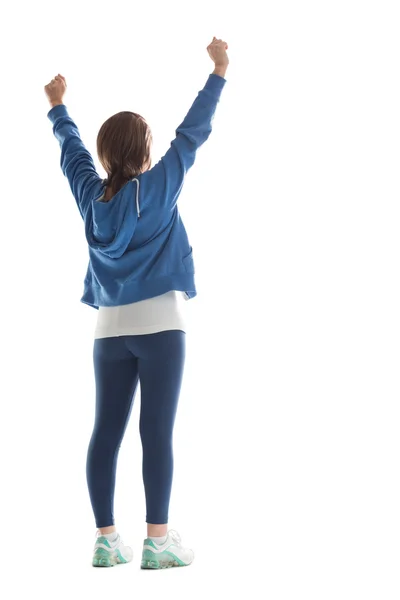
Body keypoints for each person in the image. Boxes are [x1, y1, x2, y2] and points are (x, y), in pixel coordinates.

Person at [44, 37, 229, 570]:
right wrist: (218, 72)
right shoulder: (159, 187)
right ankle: (157, 540)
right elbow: (192, 134)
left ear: (106, 155)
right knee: (156, 433)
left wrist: (58, 107)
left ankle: (106, 539)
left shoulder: (90, 195)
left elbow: (72, 154)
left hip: (108, 330)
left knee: (105, 430)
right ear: (146, 155)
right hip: (161, 326)